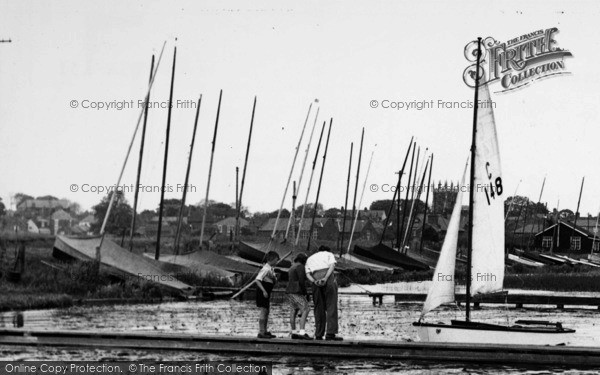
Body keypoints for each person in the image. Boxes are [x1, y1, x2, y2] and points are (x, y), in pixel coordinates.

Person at [305, 245, 343, 341]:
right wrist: (325, 278)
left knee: (318, 307)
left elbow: (307, 274)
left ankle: (319, 334)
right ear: (328, 250)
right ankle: (330, 333)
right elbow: (332, 266)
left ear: (318, 250)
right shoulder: (329, 254)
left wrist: (314, 281)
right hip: (328, 277)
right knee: (331, 306)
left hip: (314, 278)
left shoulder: (310, 258)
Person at [285, 253, 312, 340]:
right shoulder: (300, 267)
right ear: (303, 260)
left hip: (289, 291)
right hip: (296, 291)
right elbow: (301, 281)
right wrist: (305, 292)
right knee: (306, 309)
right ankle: (302, 332)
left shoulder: (292, 267)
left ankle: (293, 332)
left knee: (293, 311)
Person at [255, 251, 280, 339]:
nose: (277, 262)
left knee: (267, 311)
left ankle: (265, 331)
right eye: (276, 260)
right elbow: (257, 280)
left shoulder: (270, 269)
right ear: (272, 259)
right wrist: (264, 291)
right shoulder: (265, 269)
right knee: (264, 311)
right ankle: (261, 332)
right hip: (263, 293)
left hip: (267, 293)